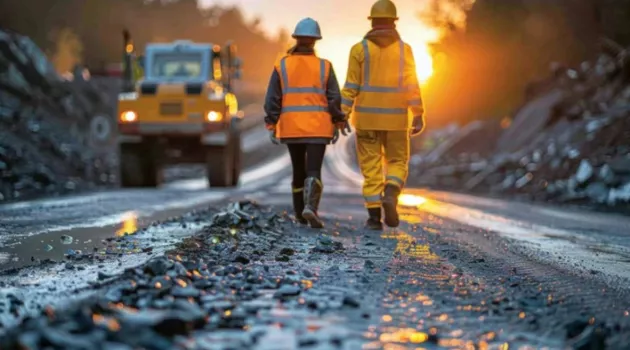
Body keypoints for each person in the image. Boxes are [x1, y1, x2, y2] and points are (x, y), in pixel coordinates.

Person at [341, 0, 426, 230]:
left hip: (367, 121)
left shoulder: (359, 50)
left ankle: (373, 219)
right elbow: (412, 84)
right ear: (393, 21)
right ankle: (391, 192)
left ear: (372, 22)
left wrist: (342, 114)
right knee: (398, 162)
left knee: (371, 169)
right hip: (397, 120)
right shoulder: (404, 50)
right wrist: (418, 113)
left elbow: (350, 87)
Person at [264, 17, 351, 229]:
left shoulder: (282, 65)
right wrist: (339, 119)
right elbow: (333, 98)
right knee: (314, 170)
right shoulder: (325, 66)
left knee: (297, 171)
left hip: (291, 128)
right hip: (318, 128)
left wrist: (271, 122)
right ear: (315, 41)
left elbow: (272, 99)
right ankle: (311, 208)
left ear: (297, 39)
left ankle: (299, 215)